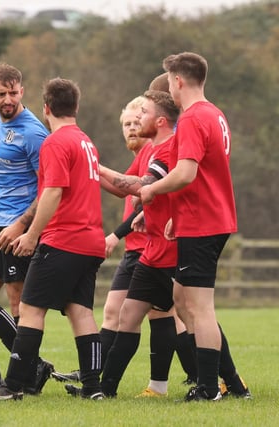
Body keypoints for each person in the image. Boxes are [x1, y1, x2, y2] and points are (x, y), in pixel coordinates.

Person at [0, 77, 105, 401]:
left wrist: (31, 234)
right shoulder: (86, 141)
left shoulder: (54, 143)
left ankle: (12, 387)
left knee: (30, 309)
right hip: (91, 240)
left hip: (64, 239)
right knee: (81, 311)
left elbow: (52, 192)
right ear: (75, 106)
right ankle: (93, 388)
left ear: (46, 108)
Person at [53, 95, 197, 387]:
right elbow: (124, 190)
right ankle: (99, 381)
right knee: (124, 313)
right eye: (128, 123)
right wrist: (89, 168)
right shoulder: (148, 152)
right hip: (144, 250)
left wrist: (116, 233)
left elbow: (140, 189)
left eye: (139, 118)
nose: (133, 127)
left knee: (177, 315)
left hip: (158, 247)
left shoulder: (159, 150)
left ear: (157, 120)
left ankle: (207, 378)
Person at [139, 52, 250, 401]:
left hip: (204, 223)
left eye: (170, 80)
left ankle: (207, 389)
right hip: (203, 218)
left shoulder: (191, 118)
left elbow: (186, 173)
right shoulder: (214, 113)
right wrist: (177, 214)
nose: (169, 86)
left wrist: (152, 190)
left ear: (178, 81)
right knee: (182, 300)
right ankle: (233, 384)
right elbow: (206, 174)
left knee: (198, 307)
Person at [0, 62, 54, 393]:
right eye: (1, 93)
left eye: (14, 93)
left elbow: (48, 188)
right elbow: (9, 176)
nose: (8, 99)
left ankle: (20, 378)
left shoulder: (33, 133)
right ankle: (35, 366)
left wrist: (23, 226)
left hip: (19, 229)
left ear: (22, 90)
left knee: (19, 304)